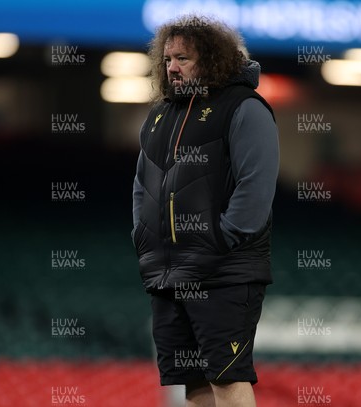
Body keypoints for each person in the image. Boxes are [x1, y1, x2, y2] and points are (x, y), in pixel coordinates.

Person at [131, 15, 279, 407]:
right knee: (192, 383)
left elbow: (256, 187)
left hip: (224, 273)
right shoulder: (160, 114)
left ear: (213, 60)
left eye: (184, 58)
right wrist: (144, 240)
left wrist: (220, 240)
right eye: (167, 59)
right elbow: (142, 187)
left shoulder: (245, 107)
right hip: (168, 272)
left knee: (227, 378)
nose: (172, 67)